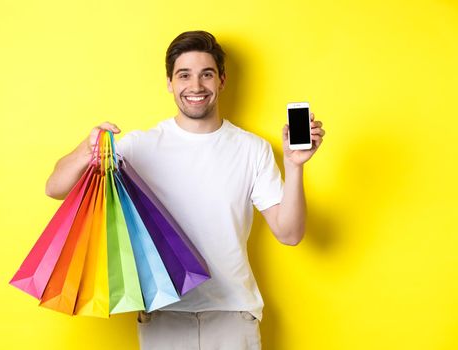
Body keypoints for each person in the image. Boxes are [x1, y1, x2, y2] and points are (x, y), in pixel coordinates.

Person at [45, 30, 325, 350]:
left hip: (233, 314)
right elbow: (55, 188)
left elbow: (290, 234)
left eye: (206, 74)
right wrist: (87, 148)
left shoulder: (252, 149)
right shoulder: (140, 147)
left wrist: (295, 164)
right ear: (169, 83)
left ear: (221, 80)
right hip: (164, 313)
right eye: (184, 75)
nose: (195, 86)